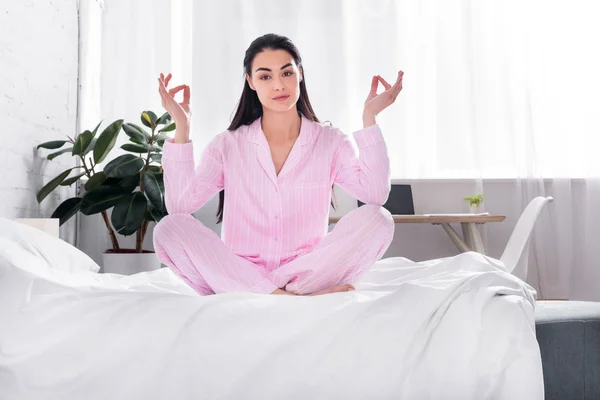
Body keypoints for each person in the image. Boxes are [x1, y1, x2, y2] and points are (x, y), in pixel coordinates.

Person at [153, 33, 403, 296]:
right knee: (169, 229)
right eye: (265, 76)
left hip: (305, 273)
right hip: (243, 272)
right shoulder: (227, 145)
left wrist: (370, 117)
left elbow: (375, 195)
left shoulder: (330, 142)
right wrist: (182, 127)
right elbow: (180, 207)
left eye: (286, 73)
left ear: (300, 74)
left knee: (379, 219)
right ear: (250, 82)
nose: (278, 85)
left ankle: (278, 294)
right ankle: (290, 299)